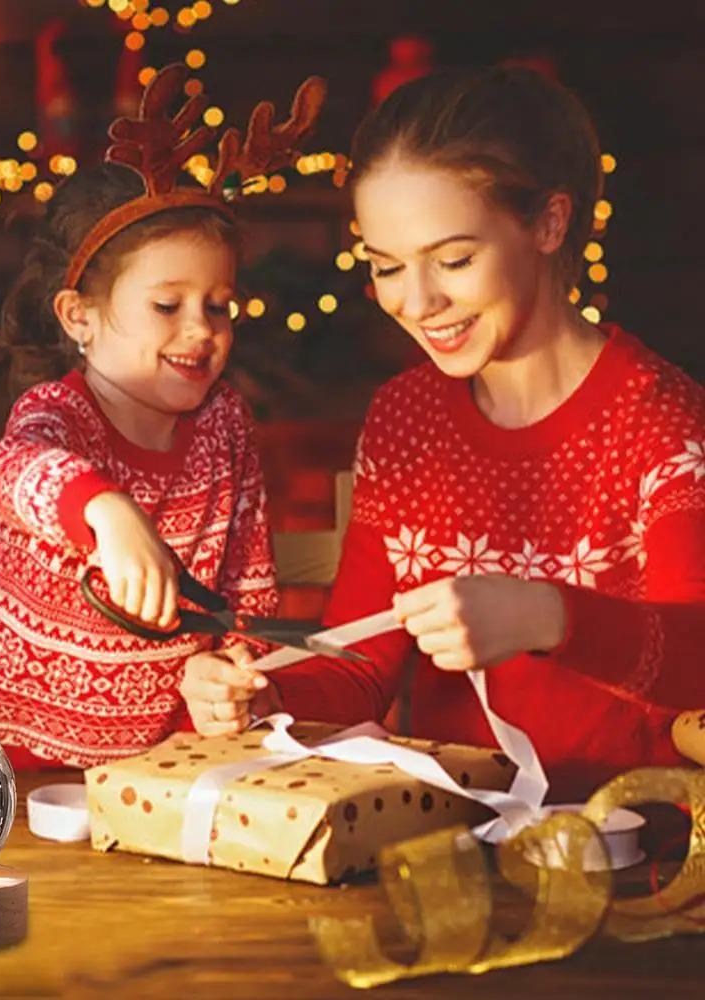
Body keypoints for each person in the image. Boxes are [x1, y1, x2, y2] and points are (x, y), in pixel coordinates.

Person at [180, 65, 705, 801]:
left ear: (549, 224)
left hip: (626, 848)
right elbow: (360, 668)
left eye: (454, 260)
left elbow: (696, 661)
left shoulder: (660, 419)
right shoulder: (406, 420)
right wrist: (263, 694)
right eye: (388, 266)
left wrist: (547, 615)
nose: (418, 301)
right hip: (441, 843)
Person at [0, 53, 332, 768]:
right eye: (166, 305)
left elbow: (246, 585)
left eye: (218, 306)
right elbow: (13, 470)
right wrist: (107, 509)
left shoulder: (225, 424)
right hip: (11, 766)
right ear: (79, 316)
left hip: (161, 768)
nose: (201, 329)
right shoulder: (57, 415)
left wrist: (229, 670)